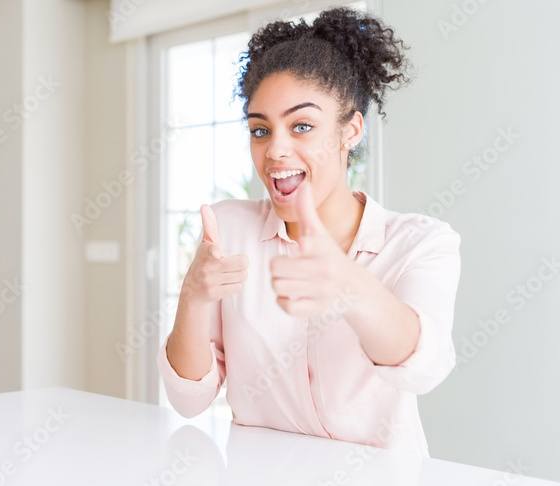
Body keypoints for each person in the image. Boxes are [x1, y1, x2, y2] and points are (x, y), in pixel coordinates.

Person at [156, 6, 461, 457]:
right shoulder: (228, 232)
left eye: (302, 126)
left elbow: (425, 368)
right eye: (260, 130)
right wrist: (193, 297)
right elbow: (188, 400)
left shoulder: (421, 243)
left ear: (350, 131)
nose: (275, 150)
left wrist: (347, 283)